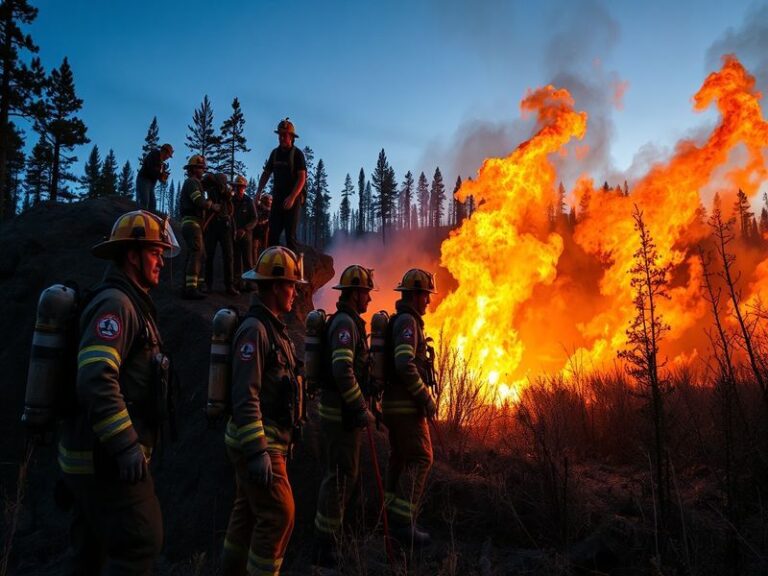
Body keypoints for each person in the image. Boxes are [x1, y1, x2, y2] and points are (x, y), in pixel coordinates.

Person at [58, 209, 179, 575]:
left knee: (88, 557)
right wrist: (126, 444)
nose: (161, 261)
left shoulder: (129, 302)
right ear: (132, 254)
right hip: (106, 461)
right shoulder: (117, 305)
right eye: (155, 253)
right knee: (140, 540)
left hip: (93, 458)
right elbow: (96, 377)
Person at [221, 246, 306, 576]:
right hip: (257, 442)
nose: (295, 292)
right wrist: (258, 451)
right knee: (278, 514)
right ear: (272, 286)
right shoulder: (255, 331)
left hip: (268, 440)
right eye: (290, 285)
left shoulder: (273, 328)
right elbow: (245, 394)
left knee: (247, 513)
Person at [312, 265, 375, 574]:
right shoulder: (344, 326)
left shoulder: (348, 323)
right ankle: (325, 547)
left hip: (341, 413)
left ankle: (329, 540)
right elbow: (342, 370)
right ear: (354, 293)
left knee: (341, 476)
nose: (369, 299)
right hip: (340, 415)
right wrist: (360, 406)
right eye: (366, 292)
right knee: (338, 479)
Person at [382, 268, 438, 547]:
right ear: (415, 295)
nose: (428, 301)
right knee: (421, 458)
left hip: (394, 403)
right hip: (405, 405)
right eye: (425, 296)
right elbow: (404, 362)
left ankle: (389, 519)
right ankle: (403, 526)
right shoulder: (408, 323)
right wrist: (424, 398)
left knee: (399, 459)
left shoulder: (405, 320)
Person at [255, 118, 306, 253]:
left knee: (290, 236)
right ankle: (273, 266)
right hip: (277, 199)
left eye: (285, 135)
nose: (282, 138)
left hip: (293, 199)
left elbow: (302, 178)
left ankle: (296, 270)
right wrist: (258, 192)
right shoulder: (275, 154)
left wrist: (293, 197)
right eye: (280, 135)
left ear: (291, 137)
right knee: (273, 235)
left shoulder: (297, 154)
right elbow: (266, 174)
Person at [179, 155, 218, 300]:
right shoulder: (192, 182)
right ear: (194, 169)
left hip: (194, 223)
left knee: (200, 254)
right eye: (201, 168)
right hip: (192, 223)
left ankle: (197, 285)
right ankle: (191, 288)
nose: (203, 171)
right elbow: (199, 201)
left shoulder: (195, 182)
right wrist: (212, 205)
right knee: (196, 252)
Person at [203, 173, 238, 296]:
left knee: (228, 255)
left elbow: (228, 196)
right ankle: (208, 284)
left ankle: (229, 285)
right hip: (212, 225)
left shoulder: (226, 192)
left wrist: (223, 188)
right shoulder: (211, 190)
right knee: (209, 255)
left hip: (225, 225)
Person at [231, 175, 257, 292]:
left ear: (244, 188)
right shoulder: (231, 202)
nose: (238, 189)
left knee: (247, 259)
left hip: (246, 235)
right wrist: (234, 231)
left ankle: (249, 284)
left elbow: (254, 219)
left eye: (240, 187)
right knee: (236, 259)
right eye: (237, 187)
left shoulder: (248, 201)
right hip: (234, 235)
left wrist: (245, 229)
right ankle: (238, 283)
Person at [136, 143, 173, 211]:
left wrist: (163, 179)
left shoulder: (162, 165)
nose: (168, 157)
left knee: (152, 205)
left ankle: (149, 219)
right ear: (164, 151)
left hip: (151, 185)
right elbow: (151, 169)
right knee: (144, 200)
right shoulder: (154, 155)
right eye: (168, 155)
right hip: (144, 180)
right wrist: (161, 176)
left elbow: (159, 176)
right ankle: (140, 218)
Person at [252, 194, 272, 264]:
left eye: (269, 200)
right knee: (255, 248)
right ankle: (255, 264)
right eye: (267, 200)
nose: (269, 201)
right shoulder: (258, 208)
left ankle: (264, 263)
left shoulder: (270, 211)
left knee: (265, 248)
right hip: (257, 231)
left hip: (266, 231)